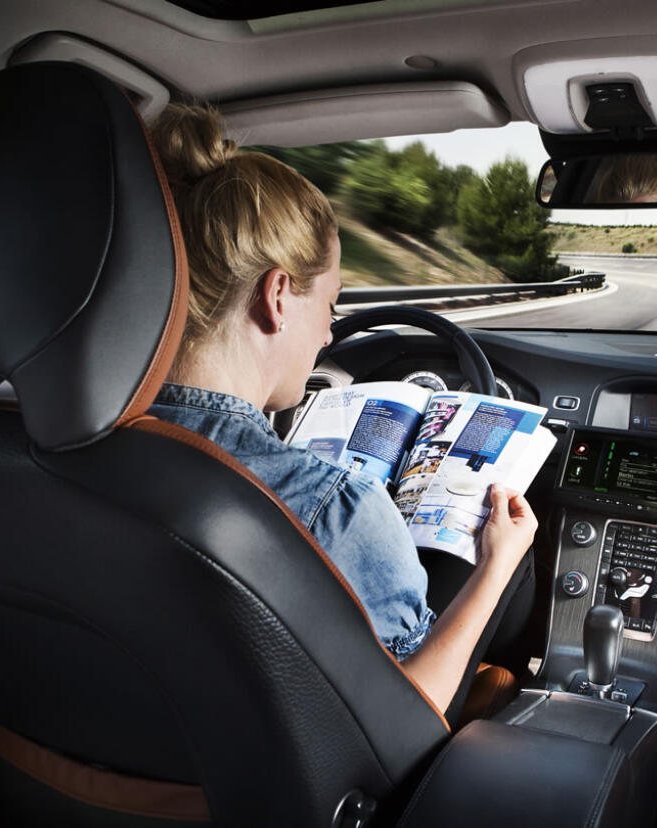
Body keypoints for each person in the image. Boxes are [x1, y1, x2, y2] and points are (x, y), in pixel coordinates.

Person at [145, 104, 537, 713]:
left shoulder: (68, 447)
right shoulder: (335, 507)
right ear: (277, 297)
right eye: (330, 307)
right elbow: (409, 717)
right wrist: (497, 565)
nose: (329, 336)